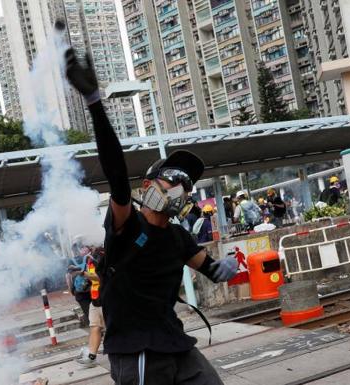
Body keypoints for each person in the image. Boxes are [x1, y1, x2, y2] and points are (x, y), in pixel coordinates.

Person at [65, 48, 237, 385]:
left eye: (187, 184)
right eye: (174, 178)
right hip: (137, 350)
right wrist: (95, 102)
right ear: (148, 185)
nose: (181, 188)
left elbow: (212, 270)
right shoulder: (127, 225)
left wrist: (227, 266)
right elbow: (115, 171)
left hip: (175, 344)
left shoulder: (178, 238)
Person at [77, 247, 105, 368]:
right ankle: (91, 357)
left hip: (106, 300)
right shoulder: (91, 258)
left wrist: (82, 273)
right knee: (94, 327)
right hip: (95, 301)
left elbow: (100, 277)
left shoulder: (102, 255)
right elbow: (93, 276)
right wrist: (86, 282)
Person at [66, 237, 92, 326]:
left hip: (80, 291)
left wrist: (71, 290)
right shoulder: (87, 258)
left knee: (88, 312)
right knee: (93, 311)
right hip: (90, 288)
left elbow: (69, 277)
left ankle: (95, 330)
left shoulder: (70, 261)